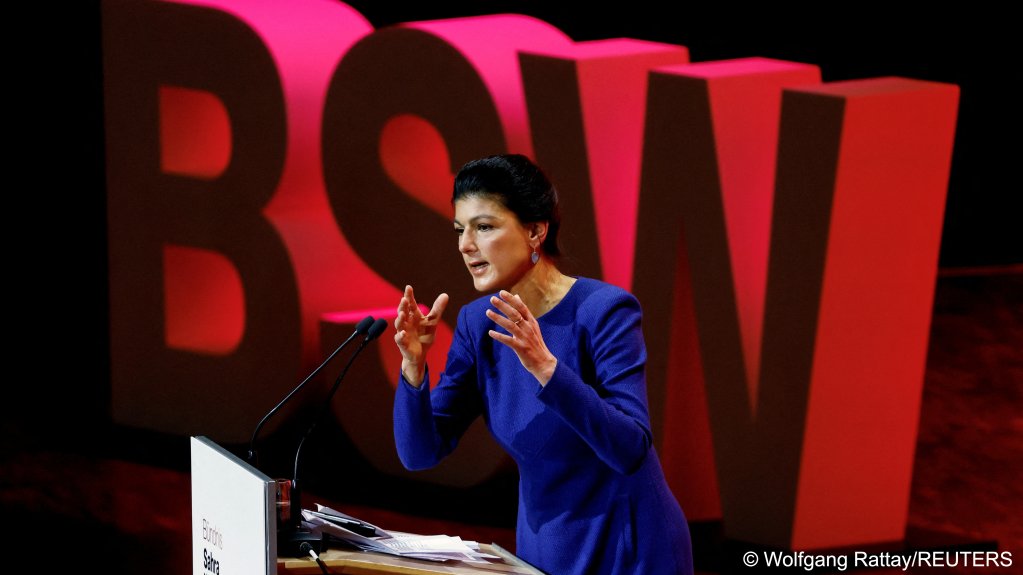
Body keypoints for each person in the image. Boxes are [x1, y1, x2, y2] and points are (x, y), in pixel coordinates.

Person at [391, 154, 694, 575]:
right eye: (461, 230)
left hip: (628, 547)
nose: (465, 245)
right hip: (544, 549)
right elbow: (420, 453)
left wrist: (547, 369)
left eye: (484, 226)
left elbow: (630, 449)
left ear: (535, 230)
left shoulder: (604, 312)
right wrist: (413, 368)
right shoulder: (478, 324)